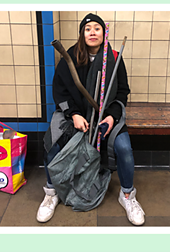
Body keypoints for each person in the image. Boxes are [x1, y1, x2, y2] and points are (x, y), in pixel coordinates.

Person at [36, 14, 145, 226]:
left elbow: (122, 91)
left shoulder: (114, 57)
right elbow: (60, 92)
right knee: (52, 144)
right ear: (82, 34)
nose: (93, 32)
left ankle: (127, 196)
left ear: (104, 33)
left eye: (97, 28)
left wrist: (112, 117)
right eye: (88, 29)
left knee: (124, 148)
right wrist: (74, 114)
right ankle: (51, 192)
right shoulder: (70, 57)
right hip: (73, 114)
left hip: (105, 116)